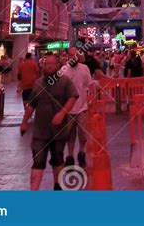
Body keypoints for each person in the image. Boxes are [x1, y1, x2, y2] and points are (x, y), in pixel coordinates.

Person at [20, 53, 78, 191]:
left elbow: (73, 97)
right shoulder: (38, 83)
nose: (49, 66)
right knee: (38, 161)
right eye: (46, 64)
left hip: (58, 131)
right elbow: (31, 105)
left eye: (52, 64)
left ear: (58, 65)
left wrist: (62, 113)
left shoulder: (65, 82)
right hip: (40, 132)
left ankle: (58, 188)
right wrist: (24, 122)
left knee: (58, 159)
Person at [63, 48, 92, 169]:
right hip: (68, 109)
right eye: (71, 55)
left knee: (83, 135)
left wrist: (89, 101)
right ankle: (70, 156)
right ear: (67, 56)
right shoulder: (63, 71)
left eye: (75, 55)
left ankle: (82, 153)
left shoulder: (84, 69)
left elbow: (89, 86)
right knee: (70, 135)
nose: (73, 57)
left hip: (82, 108)